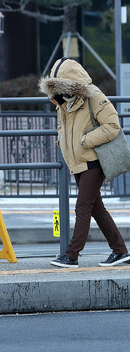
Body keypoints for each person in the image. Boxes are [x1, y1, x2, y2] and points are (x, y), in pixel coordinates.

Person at [39, 58, 130, 268]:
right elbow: (62, 128)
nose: (58, 92)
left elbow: (112, 125)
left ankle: (72, 255)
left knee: (83, 206)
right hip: (78, 160)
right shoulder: (63, 101)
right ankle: (120, 251)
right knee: (97, 208)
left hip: (94, 159)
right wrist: (64, 141)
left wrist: (85, 141)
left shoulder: (94, 97)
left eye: (62, 86)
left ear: (73, 84)